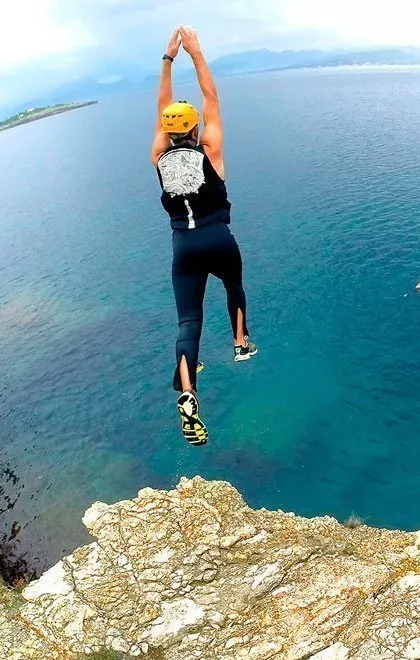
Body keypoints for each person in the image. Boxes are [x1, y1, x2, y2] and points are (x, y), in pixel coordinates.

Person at [152, 26, 257, 447]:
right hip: (219, 238)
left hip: (184, 246)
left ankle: (189, 391)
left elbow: (163, 108)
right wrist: (195, 53)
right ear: (196, 130)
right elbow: (211, 98)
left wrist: (167, 59)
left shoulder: (159, 157)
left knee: (188, 321)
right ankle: (240, 344)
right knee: (234, 285)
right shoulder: (209, 147)